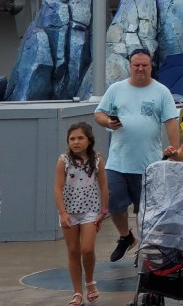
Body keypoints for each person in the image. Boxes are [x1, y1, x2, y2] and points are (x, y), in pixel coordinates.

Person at [94, 50, 180, 263]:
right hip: (118, 161)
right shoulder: (116, 89)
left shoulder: (161, 92)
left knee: (148, 211)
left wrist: (176, 150)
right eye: (136, 65)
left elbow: (171, 121)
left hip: (148, 164)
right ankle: (126, 237)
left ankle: (148, 249)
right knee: (113, 202)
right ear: (130, 66)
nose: (140, 69)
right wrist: (107, 122)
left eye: (145, 65)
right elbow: (99, 113)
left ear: (151, 66)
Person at [54, 122, 109, 306]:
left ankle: (90, 281)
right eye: (72, 139)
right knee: (73, 251)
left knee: (87, 249)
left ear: (89, 140)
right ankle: (77, 292)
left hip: (90, 210)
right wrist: (62, 213)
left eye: (80, 138)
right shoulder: (64, 160)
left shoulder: (97, 160)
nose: (76, 142)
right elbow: (58, 187)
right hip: (69, 211)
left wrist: (104, 211)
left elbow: (103, 186)